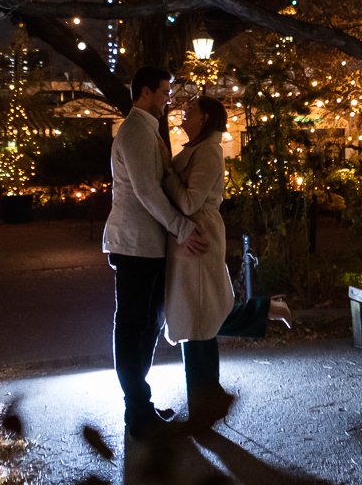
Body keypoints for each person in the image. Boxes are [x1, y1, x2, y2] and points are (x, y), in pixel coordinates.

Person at [162, 94, 292, 426]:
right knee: (199, 322)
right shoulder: (196, 148)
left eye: (190, 110)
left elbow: (190, 202)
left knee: (197, 320)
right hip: (190, 241)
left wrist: (167, 175)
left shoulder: (208, 151)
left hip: (198, 240)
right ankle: (209, 400)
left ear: (205, 118)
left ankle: (204, 406)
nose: (182, 114)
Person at [102, 66, 210, 442]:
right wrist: (182, 229)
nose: (168, 98)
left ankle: (141, 406)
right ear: (145, 92)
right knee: (133, 328)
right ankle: (136, 412)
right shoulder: (134, 131)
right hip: (133, 246)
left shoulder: (146, 130)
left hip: (146, 246)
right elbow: (148, 191)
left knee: (146, 326)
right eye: (164, 91)